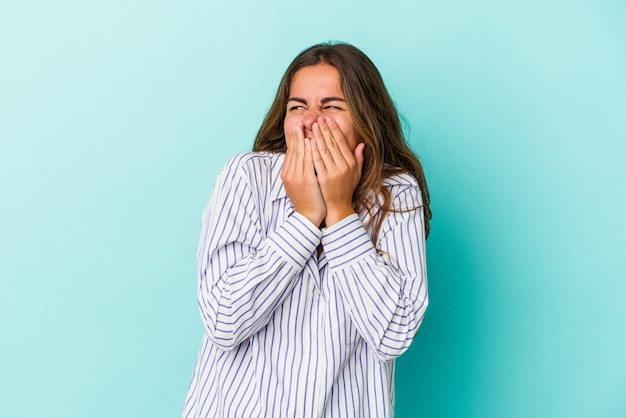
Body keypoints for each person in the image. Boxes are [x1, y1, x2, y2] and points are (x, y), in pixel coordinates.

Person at [181, 42, 431, 418]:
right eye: (297, 106)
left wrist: (340, 213)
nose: (310, 121)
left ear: (366, 117)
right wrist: (305, 218)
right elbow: (223, 320)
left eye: (331, 106)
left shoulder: (395, 193)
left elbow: (394, 332)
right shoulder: (246, 176)